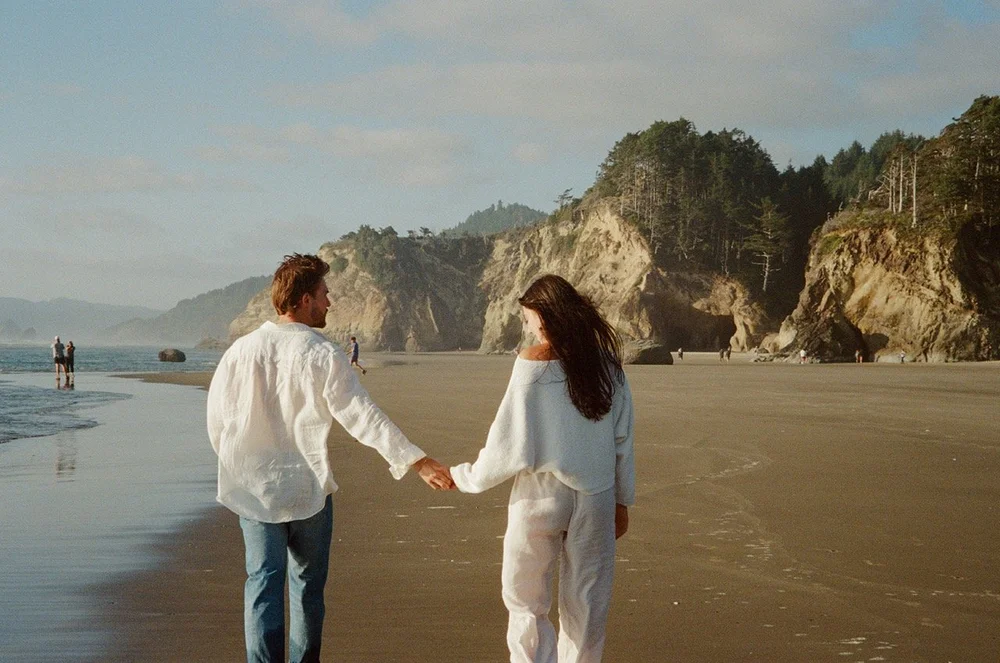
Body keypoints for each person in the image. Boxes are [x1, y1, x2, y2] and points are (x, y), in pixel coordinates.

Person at [207, 254, 453, 663]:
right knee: (306, 587)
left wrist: (237, 466)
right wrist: (417, 461)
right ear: (304, 300)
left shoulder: (241, 350)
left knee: (262, 583)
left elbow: (219, 420)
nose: (329, 302)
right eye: (324, 294)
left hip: (254, 488)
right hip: (308, 489)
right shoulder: (321, 353)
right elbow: (361, 416)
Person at [449, 274, 635, 663]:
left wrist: (465, 477)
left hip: (540, 495)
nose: (529, 325)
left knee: (525, 600)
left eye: (530, 317)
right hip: (597, 495)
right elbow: (622, 441)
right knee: (587, 603)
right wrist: (622, 501)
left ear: (546, 317)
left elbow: (508, 443)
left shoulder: (531, 365)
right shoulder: (609, 369)